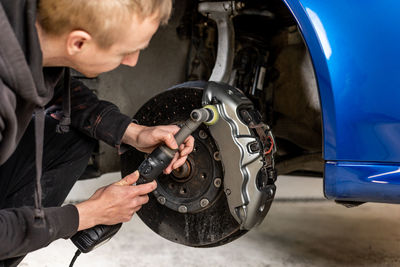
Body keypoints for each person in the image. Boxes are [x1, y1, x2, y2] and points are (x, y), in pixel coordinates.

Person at [0, 0, 194, 266]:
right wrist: (84, 215)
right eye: (125, 51)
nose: (132, 61)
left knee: (72, 136)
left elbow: (54, 90)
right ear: (78, 43)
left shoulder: (23, 27)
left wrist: (134, 132)